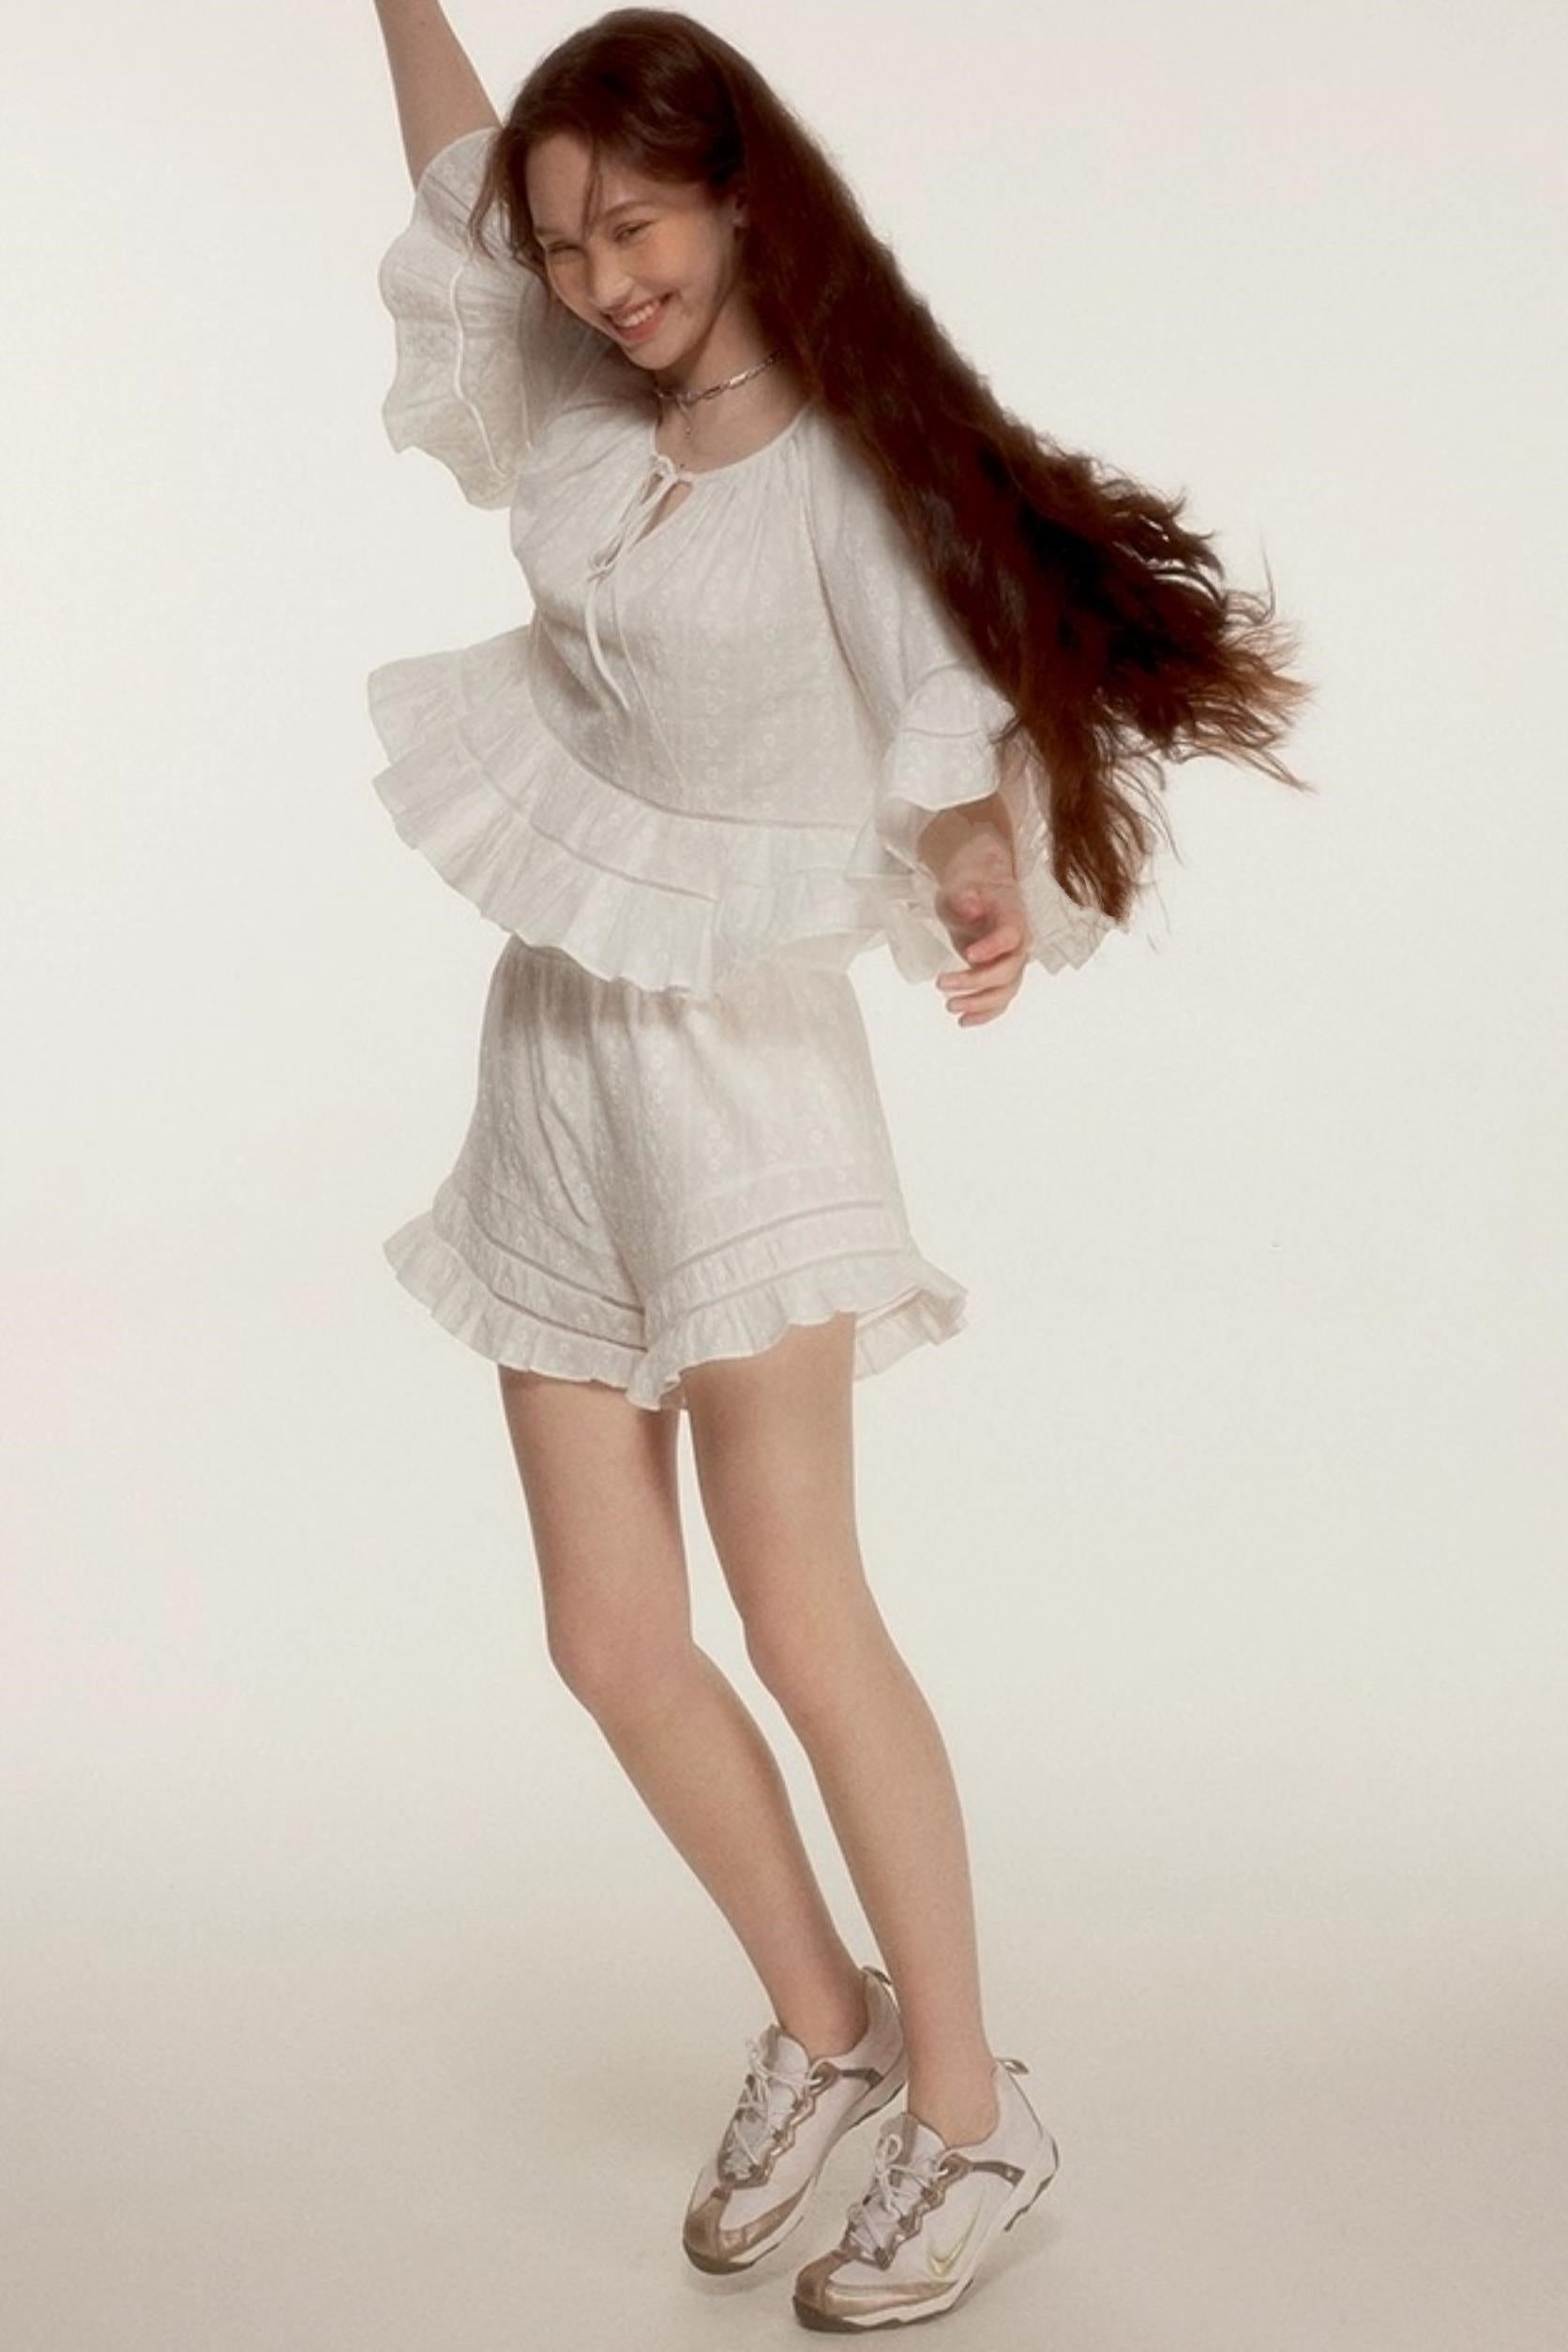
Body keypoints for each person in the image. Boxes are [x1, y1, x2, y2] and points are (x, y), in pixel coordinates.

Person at [366, 3, 1311, 2328]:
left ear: (738, 196)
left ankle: (971, 2116)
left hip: (741, 1079)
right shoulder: (581, 412)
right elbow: (455, 182)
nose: (599, 281)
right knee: (608, 1640)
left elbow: (954, 742)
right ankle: (825, 2025)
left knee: (798, 1616)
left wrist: (978, 870)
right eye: (568, 248)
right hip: (554, 1056)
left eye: (637, 227)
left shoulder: (848, 485)